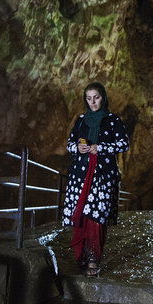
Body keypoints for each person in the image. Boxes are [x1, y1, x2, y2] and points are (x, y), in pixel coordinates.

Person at [62, 82, 129, 277]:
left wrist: (101, 148)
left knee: (97, 216)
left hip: (102, 175)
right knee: (82, 214)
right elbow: (70, 143)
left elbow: (123, 144)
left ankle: (94, 258)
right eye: (89, 98)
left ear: (103, 97)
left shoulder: (112, 120)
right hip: (81, 174)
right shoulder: (81, 120)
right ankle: (83, 254)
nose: (92, 102)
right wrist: (77, 148)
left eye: (96, 97)